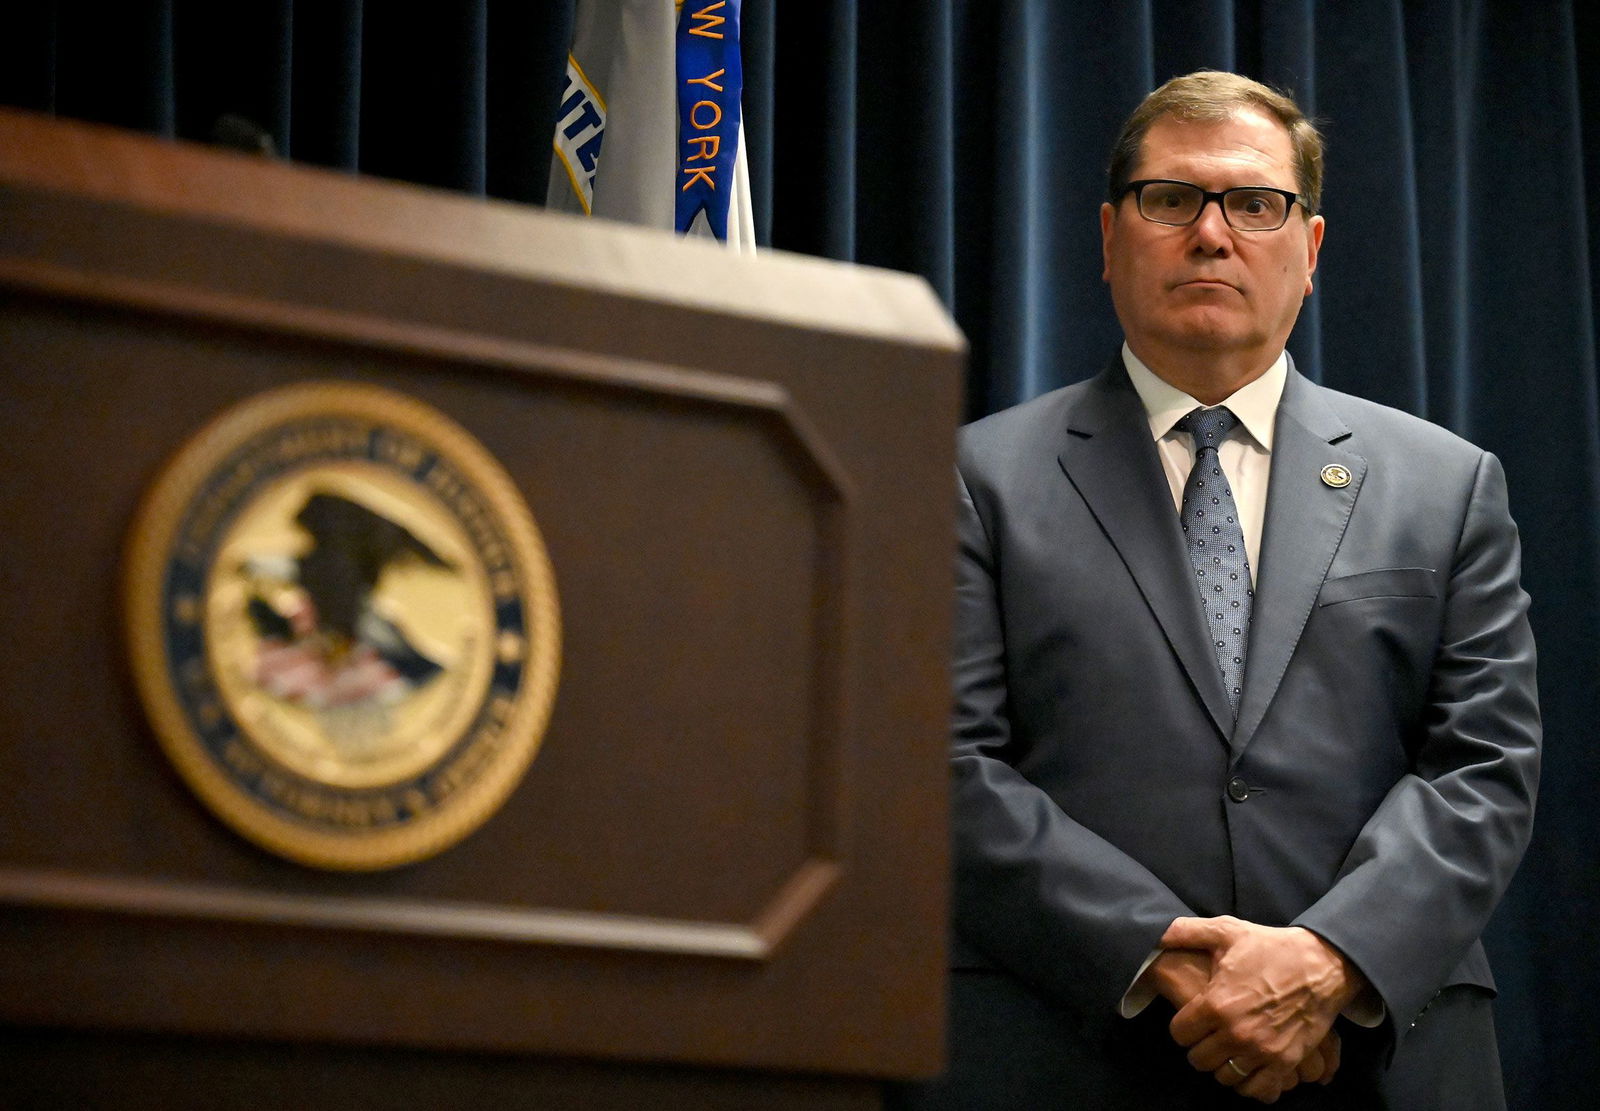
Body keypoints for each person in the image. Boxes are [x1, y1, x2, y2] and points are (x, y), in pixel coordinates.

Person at [897, 71, 1540, 1109]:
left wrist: (1329, 959)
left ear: (1311, 250)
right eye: (1170, 199)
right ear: (1110, 238)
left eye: (1253, 203)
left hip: (1376, 1052)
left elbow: (1485, 762)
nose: (1210, 233)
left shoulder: (1446, 482)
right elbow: (941, 764)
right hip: (1059, 1046)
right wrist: (1164, 956)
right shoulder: (970, 479)